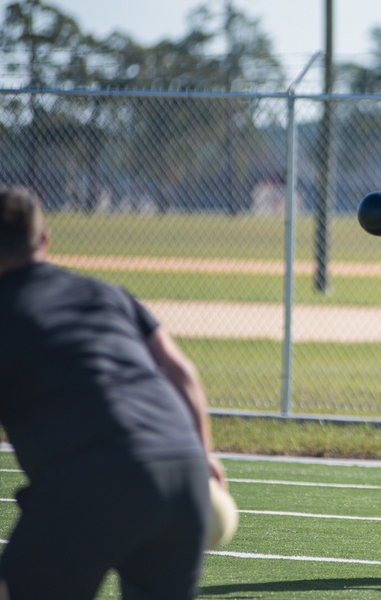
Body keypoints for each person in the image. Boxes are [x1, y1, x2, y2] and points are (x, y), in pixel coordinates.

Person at [0, 186, 226, 600]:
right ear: (45, 240)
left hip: (90, 478)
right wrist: (205, 456)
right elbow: (181, 371)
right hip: (183, 472)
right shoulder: (106, 292)